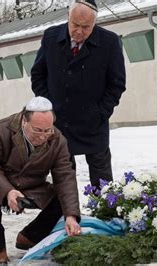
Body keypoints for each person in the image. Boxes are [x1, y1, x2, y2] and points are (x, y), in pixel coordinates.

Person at [0, 96, 81, 264]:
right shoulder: (1, 129)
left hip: (32, 185)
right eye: (37, 130)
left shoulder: (58, 139)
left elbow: (65, 177)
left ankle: (29, 236)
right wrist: (8, 191)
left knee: (64, 200)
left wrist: (71, 216)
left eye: (47, 130)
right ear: (24, 121)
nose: (43, 136)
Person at [31, 0, 126, 189]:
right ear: (68, 17)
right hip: (59, 120)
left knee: (102, 182)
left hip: (93, 121)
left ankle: (106, 215)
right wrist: (48, 107)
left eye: (86, 27)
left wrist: (100, 112)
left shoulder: (109, 42)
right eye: (75, 25)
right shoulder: (51, 37)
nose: (79, 32)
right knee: (63, 177)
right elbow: (38, 75)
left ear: (94, 24)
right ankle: (67, 215)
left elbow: (116, 84)